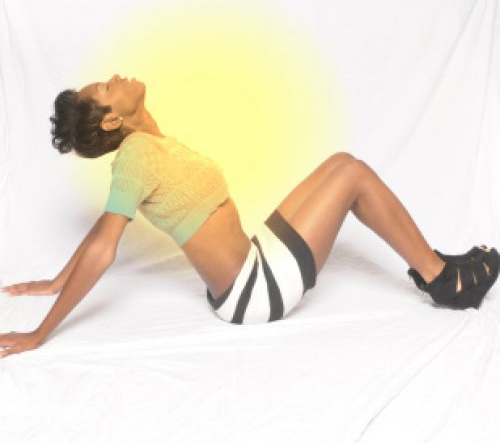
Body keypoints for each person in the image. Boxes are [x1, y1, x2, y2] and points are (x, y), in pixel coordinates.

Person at [1, 74, 498, 359]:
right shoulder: (135, 156)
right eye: (107, 87)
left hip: (257, 262)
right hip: (255, 293)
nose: (115, 77)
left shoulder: (148, 145)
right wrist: (40, 334)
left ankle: (435, 263)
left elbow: (102, 225)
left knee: (341, 163)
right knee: (354, 176)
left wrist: (57, 279)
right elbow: (104, 247)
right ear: (113, 118)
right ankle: (444, 281)